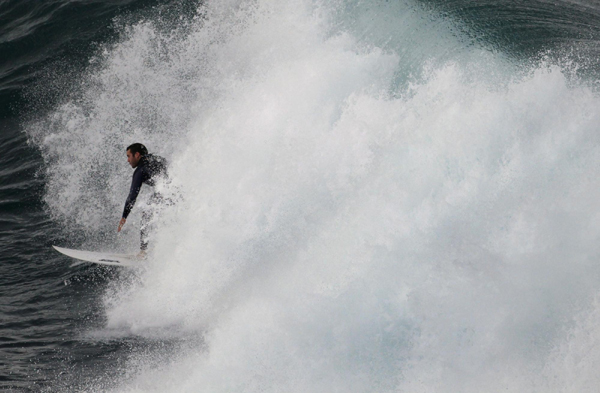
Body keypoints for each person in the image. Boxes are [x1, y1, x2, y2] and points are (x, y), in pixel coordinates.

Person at [117, 143, 168, 255]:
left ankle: (143, 252)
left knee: (146, 215)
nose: (128, 160)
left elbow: (132, 197)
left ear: (137, 155)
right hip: (177, 191)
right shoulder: (157, 158)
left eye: (129, 156)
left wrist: (124, 216)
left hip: (165, 193)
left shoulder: (140, 170)